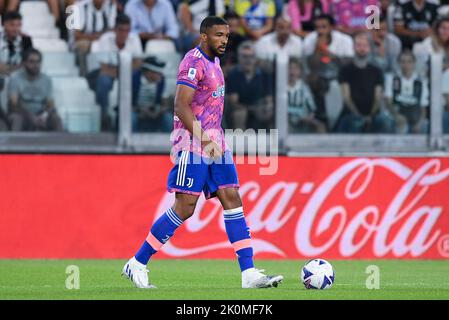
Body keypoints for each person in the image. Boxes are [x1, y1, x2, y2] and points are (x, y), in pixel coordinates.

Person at [122, 16, 283, 289]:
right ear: (204, 36)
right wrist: (204, 140)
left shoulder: (216, 63)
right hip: (192, 144)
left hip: (215, 142)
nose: (224, 40)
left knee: (232, 197)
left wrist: (213, 140)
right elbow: (180, 106)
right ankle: (137, 263)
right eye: (219, 35)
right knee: (185, 208)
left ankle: (249, 274)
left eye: (227, 36)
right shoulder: (193, 62)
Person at [89, 13, 143, 130]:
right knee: (103, 81)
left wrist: (119, 71)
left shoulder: (134, 38)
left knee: (136, 77)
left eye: (127, 30)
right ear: (115, 29)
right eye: (121, 30)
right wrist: (124, 70)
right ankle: (104, 114)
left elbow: (138, 63)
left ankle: (132, 110)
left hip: (124, 73)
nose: (124, 34)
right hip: (114, 74)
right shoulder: (105, 39)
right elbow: (103, 68)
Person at [337, 32, 390, 133]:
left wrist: (370, 116)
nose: (362, 48)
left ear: (369, 48)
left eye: (365, 45)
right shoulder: (345, 70)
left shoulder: (376, 71)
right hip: (351, 114)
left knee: (385, 122)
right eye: (359, 45)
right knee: (354, 123)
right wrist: (358, 115)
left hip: (373, 114)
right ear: (353, 47)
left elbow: (378, 98)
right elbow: (346, 98)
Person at [7, 48, 63, 132]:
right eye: (32, 61)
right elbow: (14, 104)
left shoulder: (46, 80)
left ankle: (60, 144)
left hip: (40, 114)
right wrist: (31, 117)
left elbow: (50, 104)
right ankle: (14, 144)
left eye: (38, 62)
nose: (35, 65)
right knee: (17, 119)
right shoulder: (15, 78)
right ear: (24, 63)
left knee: (56, 119)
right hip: (22, 114)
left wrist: (44, 115)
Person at [226, 41, 274, 130]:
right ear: (239, 57)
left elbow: (268, 98)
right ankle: (239, 142)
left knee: (269, 110)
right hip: (242, 111)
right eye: (244, 56)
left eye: (251, 56)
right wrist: (252, 108)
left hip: (260, 109)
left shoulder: (264, 74)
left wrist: (262, 107)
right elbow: (234, 102)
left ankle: (270, 141)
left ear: (255, 58)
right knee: (239, 113)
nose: (248, 60)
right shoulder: (233, 75)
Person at [384, 50, 429, 134]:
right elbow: (388, 102)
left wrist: (420, 122)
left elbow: (423, 106)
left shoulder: (421, 81)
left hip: (415, 113)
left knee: (424, 124)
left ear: (414, 63)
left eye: (409, 62)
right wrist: (397, 115)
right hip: (397, 111)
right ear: (398, 63)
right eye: (403, 62)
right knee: (395, 123)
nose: (406, 65)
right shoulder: (392, 78)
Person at [74, 0, 118, 76]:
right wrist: (97, 37)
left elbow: (113, 30)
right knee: (82, 46)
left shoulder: (111, 6)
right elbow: (77, 35)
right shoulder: (80, 6)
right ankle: (84, 76)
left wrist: (99, 37)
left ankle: (113, 74)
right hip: (87, 41)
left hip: (105, 40)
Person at [133, 56, 172, 132]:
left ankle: (169, 143)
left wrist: (159, 110)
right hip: (136, 112)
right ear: (148, 73)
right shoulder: (133, 79)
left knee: (168, 119)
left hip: (154, 114)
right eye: (158, 73)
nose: (161, 76)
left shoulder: (162, 81)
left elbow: (165, 105)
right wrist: (141, 110)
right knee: (131, 118)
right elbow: (125, 106)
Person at [287, 58, 325, 133]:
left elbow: (312, 108)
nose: (292, 71)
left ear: (300, 71)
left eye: (295, 68)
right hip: (285, 120)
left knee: (320, 127)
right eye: (289, 68)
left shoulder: (304, 88)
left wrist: (307, 117)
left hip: (303, 120)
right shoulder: (279, 87)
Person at [0, 11, 33, 82]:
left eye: (19, 25)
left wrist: (10, 69)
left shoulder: (26, 39)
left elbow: (29, 61)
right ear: (4, 24)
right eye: (12, 25)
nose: (16, 29)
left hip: (18, 76)